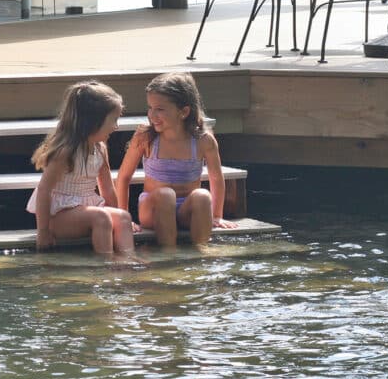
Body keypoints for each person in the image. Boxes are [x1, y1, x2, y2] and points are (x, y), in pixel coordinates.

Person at [115, 72, 239, 246]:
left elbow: (216, 178)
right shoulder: (146, 137)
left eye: (160, 109)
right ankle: (169, 253)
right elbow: (124, 177)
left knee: (202, 195)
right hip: (153, 208)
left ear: (184, 112)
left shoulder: (203, 140)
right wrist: (124, 216)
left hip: (185, 211)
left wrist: (217, 215)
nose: (152, 115)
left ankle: (202, 251)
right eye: (150, 108)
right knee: (166, 194)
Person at [26, 81, 134, 254]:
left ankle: (128, 260)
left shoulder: (100, 148)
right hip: (58, 217)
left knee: (123, 217)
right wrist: (43, 231)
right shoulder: (65, 152)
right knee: (101, 216)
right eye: (113, 120)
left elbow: (107, 189)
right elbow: (44, 190)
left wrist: (117, 216)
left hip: (85, 212)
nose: (116, 126)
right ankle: (106, 266)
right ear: (93, 122)